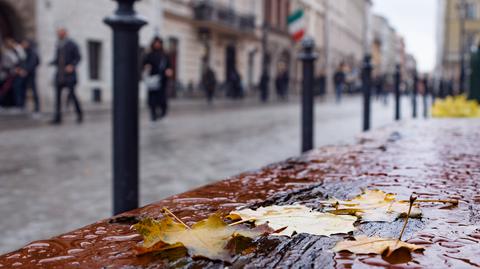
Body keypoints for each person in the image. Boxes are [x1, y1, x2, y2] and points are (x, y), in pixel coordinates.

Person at [50, 28, 83, 124]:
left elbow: (78, 57)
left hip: (69, 76)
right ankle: (57, 117)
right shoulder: (58, 45)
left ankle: (79, 114)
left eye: (60, 33)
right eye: (57, 33)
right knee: (57, 97)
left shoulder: (72, 44)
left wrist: (72, 65)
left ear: (65, 33)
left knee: (72, 95)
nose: (58, 34)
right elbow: (57, 59)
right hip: (59, 75)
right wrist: (53, 62)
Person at [142, 37, 172, 122]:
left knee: (162, 99)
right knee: (152, 99)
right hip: (152, 81)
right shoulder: (149, 54)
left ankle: (163, 114)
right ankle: (153, 116)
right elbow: (144, 64)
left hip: (162, 80)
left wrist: (168, 71)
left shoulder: (165, 55)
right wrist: (146, 67)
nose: (157, 44)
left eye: (158, 43)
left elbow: (169, 66)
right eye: (156, 43)